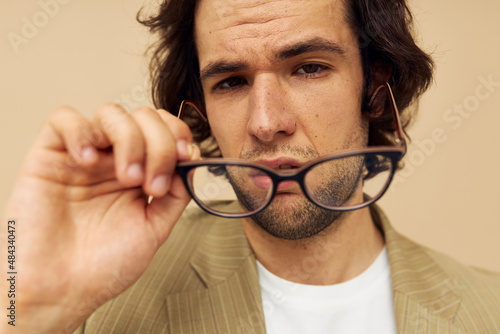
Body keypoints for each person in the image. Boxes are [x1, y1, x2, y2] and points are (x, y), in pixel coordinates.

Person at [2, 0, 500, 333]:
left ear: (373, 85)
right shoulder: (104, 299)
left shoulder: (488, 309)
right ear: (199, 107)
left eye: (308, 68)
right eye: (232, 82)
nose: (265, 123)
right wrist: (23, 304)